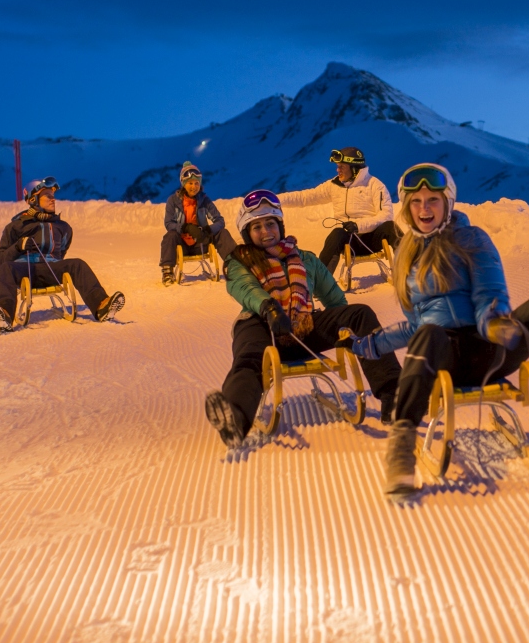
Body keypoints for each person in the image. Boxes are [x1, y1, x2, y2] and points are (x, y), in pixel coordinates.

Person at [350, 162, 529, 498]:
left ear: (448, 202)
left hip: (488, 348)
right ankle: (401, 448)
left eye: (432, 200)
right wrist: (371, 345)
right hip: (442, 356)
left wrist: (495, 324)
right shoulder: (405, 255)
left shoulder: (471, 239)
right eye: (415, 202)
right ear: (406, 207)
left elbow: (489, 294)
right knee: (429, 333)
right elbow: (417, 327)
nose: (424, 209)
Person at [203, 189, 402, 449]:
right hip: (260, 324)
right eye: (257, 227)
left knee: (359, 313)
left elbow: (334, 300)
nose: (266, 232)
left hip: (302, 326)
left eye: (270, 223)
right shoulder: (238, 260)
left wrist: (345, 329)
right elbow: (244, 288)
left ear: (280, 225)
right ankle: (235, 418)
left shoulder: (305, 259)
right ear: (246, 233)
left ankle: (394, 396)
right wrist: (269, 308)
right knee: (249, 359)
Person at [0, 177, 126, 331]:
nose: (53, 200)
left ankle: (102, 306)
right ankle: (5, 314)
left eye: (53, 196)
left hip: (51, 270)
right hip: (24, 271)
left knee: (77, 264)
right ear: (33, 199)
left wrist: (53, 261)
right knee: (6, 268)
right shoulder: (16, 226)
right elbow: (0, 260)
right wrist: (18, 247)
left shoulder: (63, 227)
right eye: (48, 196)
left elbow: (62, 252)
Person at [279, 147, 398, 272]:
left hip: (372, 240)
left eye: (342, 166)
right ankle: (320, 283)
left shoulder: (375, 185)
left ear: (354, 168)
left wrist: (358, 226)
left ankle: (412, 271)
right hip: (348, 242)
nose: (338, 170)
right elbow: (305, 197)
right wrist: (275, 199)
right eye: (337, 166)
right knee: (337, 233)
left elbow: (386, 215)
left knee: (390, 227)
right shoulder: (334, 185)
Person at [161, 162, 236, 285]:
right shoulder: (173, 201)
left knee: (222, 233)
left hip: (201, 244)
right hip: (182, 244)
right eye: (190, 183)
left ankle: (235, 267)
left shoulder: (204, 200)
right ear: (183, 184)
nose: (194, 186)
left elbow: (220, 221)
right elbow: (168, 223)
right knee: (170, 236)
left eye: (197, 183)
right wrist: (185, 227)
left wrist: (207, 230)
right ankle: (167, 272)